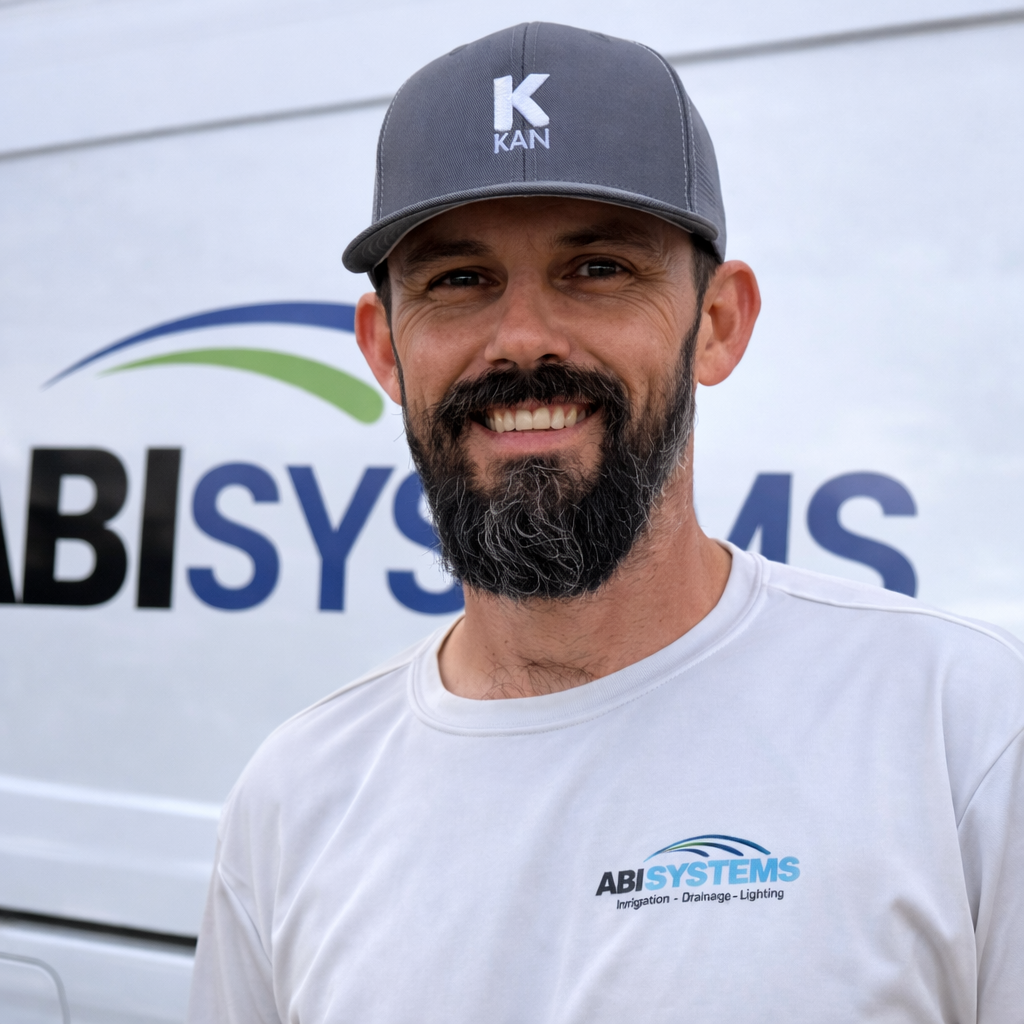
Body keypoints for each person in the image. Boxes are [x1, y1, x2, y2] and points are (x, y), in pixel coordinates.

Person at [187, 22, 1024, 1023]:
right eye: (459, 279)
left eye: (598, 269)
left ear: (716, 322)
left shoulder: (963, 731)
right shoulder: (293, 799)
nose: (524, 338)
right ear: (382, 348)